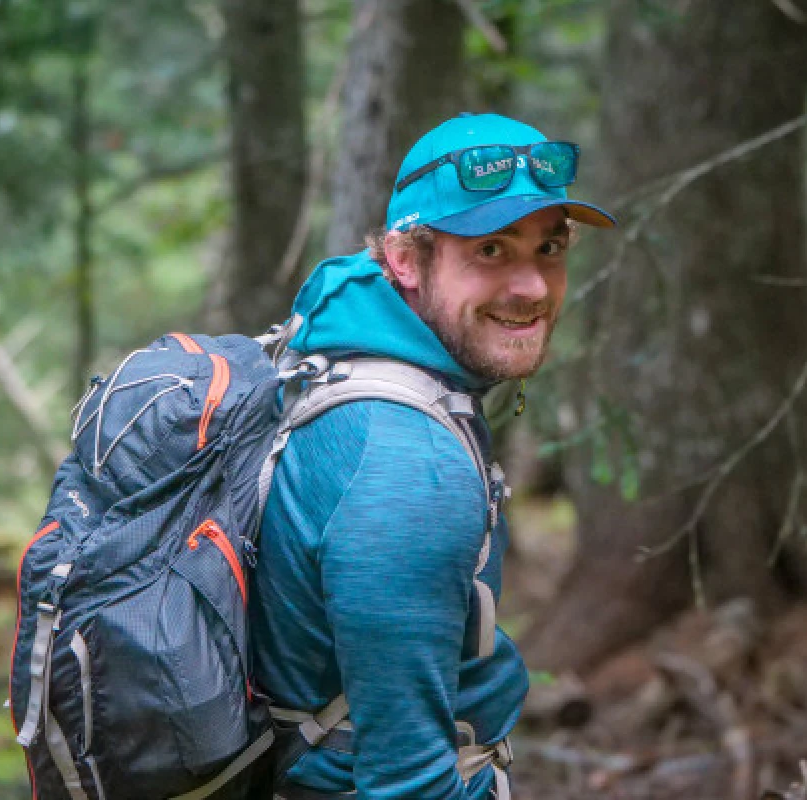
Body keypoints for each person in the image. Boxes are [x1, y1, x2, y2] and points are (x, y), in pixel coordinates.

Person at [250, 112, 617, 800]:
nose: (534, 287)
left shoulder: (334, 354)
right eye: (490, 251)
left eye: (550, 248)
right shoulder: (405, 466)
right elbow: (408, 785)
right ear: (404, 260)